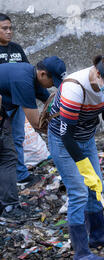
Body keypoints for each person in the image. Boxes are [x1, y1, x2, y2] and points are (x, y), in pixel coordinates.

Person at [47, 54, 104, 260]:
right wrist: (84, 167)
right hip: (63, 142)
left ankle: (98, 234)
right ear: (99, 75)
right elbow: (66, 135)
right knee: (79, 191)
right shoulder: (75, 88)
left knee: (97, 187)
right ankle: (81, 251)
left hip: (86, 138)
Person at [0, 56, 66, 220]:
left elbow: (49, 101)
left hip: (6, 108)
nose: (52, 85)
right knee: (7, 157)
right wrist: (62, 135)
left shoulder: (32, 76)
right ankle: (9, 208)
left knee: (10, 151)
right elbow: (37, 123)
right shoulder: (24, 81)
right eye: (52, 81)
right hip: (3, 109)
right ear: (43, 74)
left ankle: (9, 202)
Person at [0, 13, 48, 187]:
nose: (9, 32)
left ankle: (20, 174)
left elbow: (30, 75)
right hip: (1, 104)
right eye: (4, 28)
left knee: (18, 138)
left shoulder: (16, 49)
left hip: (16, 102)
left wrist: (46, 98)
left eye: (10, 28)